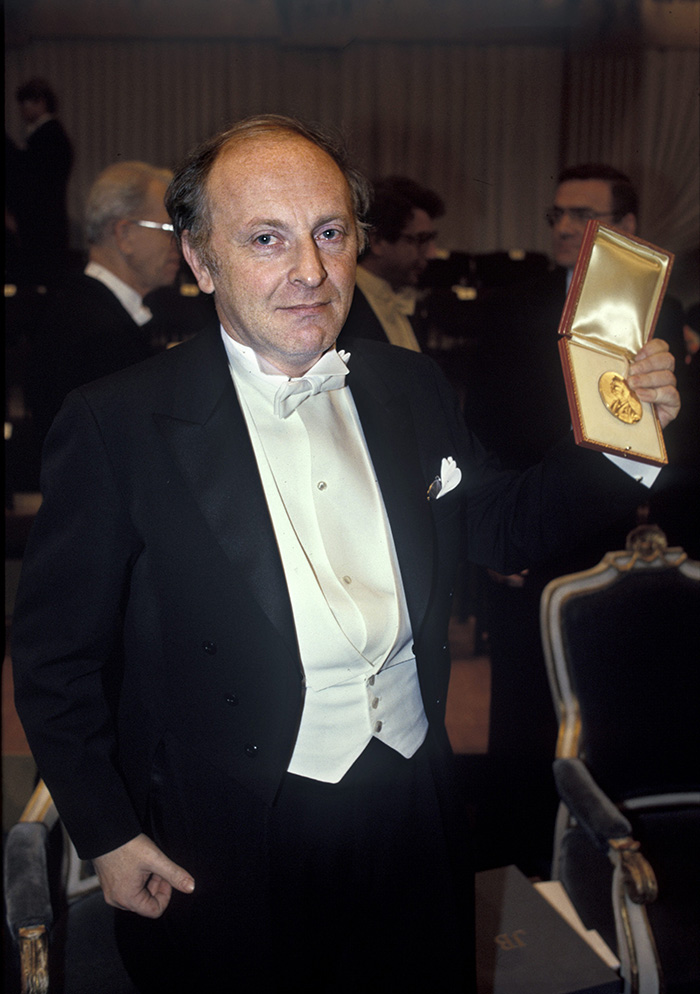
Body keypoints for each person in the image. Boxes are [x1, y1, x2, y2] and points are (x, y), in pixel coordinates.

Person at [11, 117, 679, 993]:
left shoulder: (408, 385)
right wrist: (107, 832)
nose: (311, 271)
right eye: (266, 239)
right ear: (200, 260)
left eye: (330, 232)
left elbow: (502, 525)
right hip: (224, 834)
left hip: (414, 804)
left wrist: (624, 441)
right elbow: (55, 658)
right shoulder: (118, 423)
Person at [461, 163, 691, 877]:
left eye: (583, 215)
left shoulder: (659, 310)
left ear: (626, 227)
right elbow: (483, 428)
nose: (564, 228)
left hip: (610, 534)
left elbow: (666, 436)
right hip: (526, 535)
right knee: (523, 715)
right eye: (557, 214)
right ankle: (521, 870)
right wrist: (499, 537)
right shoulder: (509, 307)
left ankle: (604, 858)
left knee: (610, 704)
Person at [26, 160, 182, 448]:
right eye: (168, 229)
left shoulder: (81, 305)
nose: (180, 244)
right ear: (124, 235)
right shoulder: (95, 332)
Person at [336, 175, 444, 351]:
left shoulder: (406, 301)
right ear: (377, 242)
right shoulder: (346, 304)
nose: (432, 253)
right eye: (421, 240)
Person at [5, 78, 74, 285]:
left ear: (41, 102)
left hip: (41, 225)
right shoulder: (46, 134)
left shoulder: (48, 135)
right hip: (44, 223)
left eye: (26, 104)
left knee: (39, 282)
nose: (22, 111)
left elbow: (31, 182)